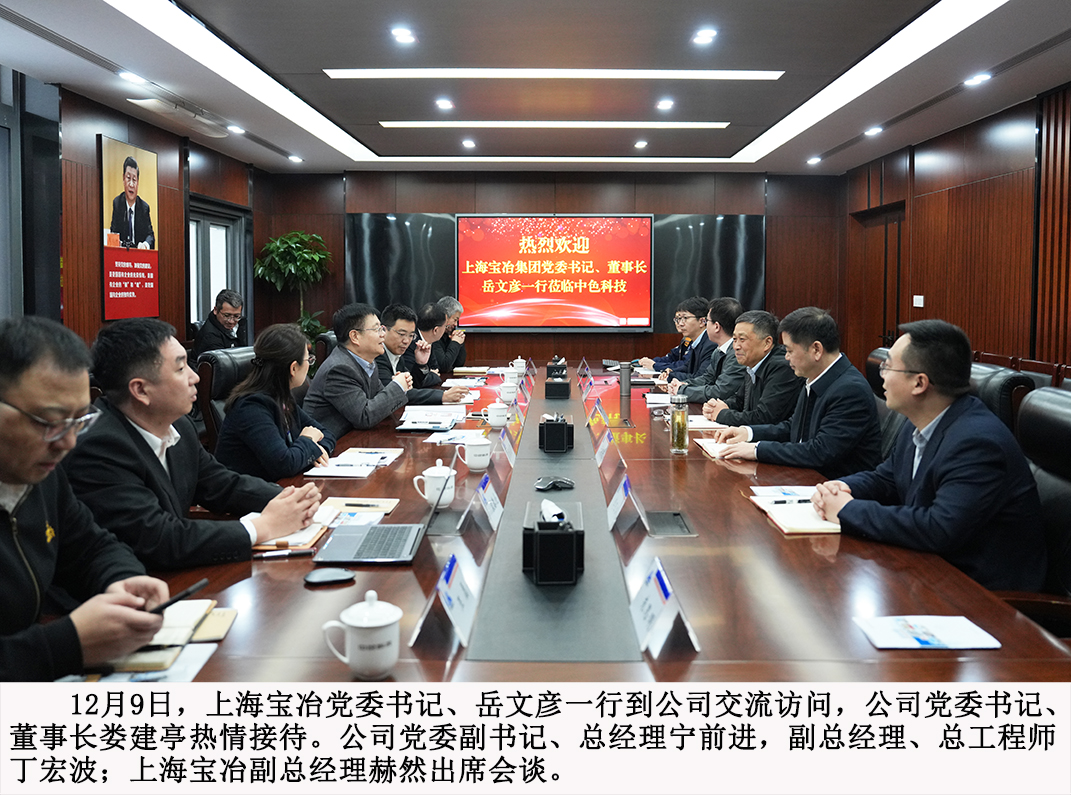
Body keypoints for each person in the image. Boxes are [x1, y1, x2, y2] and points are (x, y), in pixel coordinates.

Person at [62, 318, 320, 570]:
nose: (195, 377)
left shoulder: (179, 426)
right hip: (136, 584)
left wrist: (289, 499)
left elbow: (223, 485)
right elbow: (160, 538)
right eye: (180, 368)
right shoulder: (100, 448)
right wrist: (263, 527)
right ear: (140, 390)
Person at [812, 320, 1046, 591]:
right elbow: (886, 478)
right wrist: (841, 487)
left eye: (888, 366)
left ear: (919, 383)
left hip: (981, 594)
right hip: (929, 572)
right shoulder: (919, 420)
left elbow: (939, 528)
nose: (881, 375)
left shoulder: (977, 442)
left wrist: (847, 510)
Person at [1, 316, 168, 681]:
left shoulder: (43, 476)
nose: (68, 442)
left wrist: (123, 580)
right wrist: (67, 645)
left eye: (79, 421)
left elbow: (92, 547)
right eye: (49, 422)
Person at [714, 307, 881, 479]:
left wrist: (757, 450)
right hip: (807, 476)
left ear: (816, 350)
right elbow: (793, 427)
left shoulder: (849, 390)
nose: (786, 357)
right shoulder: (815, 377)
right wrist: (748, 433)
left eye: (789, 350)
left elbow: (820, 451)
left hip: (835, 485)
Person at [214, 324, 336, 480]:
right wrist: (308, 441)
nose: (309, 364)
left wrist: (313, 450)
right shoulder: (251, 407)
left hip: (278, 487)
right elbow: (284, 464)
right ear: (293, 368)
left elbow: (327, 434)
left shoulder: (281, 396)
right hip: (250, 492)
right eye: (309, 360)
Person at [304, 302, 412, 438]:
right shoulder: (339, 369)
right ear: (355, 336)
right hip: (331, 444)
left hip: (355, 437)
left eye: (382, 328)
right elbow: (364, 416)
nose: (383, 335)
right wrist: (397, 387)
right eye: (377, 329)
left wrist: (398, 387)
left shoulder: (367, 361)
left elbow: (378, 403)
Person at [702, 310, 801, 427]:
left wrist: (722, 414)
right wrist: (718, 406)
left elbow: (764, 418)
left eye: (742, 339)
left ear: (767, 343)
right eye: (734, 339)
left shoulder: (782, 368)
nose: (736, 346)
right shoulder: (753, 363)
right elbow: (739, 400)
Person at [375, 304, 468, 406]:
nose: (406, 341)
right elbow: (396, 394)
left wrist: (420, 364)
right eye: (401, 334)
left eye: (411, 335)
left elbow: (413, 386)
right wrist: (443, 396)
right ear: (383, 331)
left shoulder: (398, 356)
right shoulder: (377, 356)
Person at [660, 297, 746, 403]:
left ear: (716, 326)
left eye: (707, 321)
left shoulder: (737, 354)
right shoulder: (718, 351)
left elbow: (720, 391)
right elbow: (706, 379)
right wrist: (683, 384)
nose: (705, 325)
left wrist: (682, 390)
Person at [637, 297, 715, 377]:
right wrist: (669, 372)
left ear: (702, 321)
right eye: (678, 319)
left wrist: (656, 366)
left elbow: (700, 376)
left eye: (685, 318)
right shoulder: (690, 340)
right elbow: (681, 364)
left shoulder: (710, 344)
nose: (680, 324)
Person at [108, 155, 155, 249]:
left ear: (138, 183)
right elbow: (114, 232)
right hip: (122, 255)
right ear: (123, 179)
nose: (131, 184)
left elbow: (150, 236)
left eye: (134, 180)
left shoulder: (144, 208)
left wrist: (145, 245)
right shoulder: (117, 203)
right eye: (128, 178)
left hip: (139, 255)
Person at [193, 289, 247, 359]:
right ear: (216, 310)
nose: (231, 321)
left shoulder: (242, 324)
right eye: (227, 315)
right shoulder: (210, 336)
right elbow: (223, 363)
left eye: (236, 316)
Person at [433, 296, 467, 372]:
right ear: (445, 317)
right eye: (455, 320)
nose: (455, 324)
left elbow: (459, 364)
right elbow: (444, 366)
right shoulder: (434, 334)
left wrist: (459, 343)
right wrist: (455, 343)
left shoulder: (449, 332)